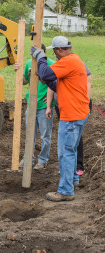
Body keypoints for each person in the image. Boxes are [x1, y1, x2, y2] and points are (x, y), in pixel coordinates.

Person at [31, 36, 90, 201]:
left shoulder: (67, 62)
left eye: (54, 52)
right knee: (71, 150)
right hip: (79, 113)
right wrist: (47, 80)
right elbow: (59, 85)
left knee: (65, 153)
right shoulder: (75, 60)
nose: (54, 55)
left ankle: (65, 191)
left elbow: (45, 72)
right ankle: (73, 180)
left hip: (71, 116)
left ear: (59, 50)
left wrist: (40, 57)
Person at [14, 44, 55, 170]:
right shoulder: (29, 63)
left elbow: (53, 84)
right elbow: (25, 81)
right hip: (31, 104)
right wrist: (20, 71)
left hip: (44, 106)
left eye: (39, 53)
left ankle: (42, 160)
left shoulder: (51, 64)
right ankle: (28, 158)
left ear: (44, 52)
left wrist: (49, 101)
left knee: (45, 135)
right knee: (29, 134)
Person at [46, 65, 92, 175]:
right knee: (66, 136)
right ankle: (66, 167)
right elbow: (51, 87)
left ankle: (78, 166)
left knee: (75, 137)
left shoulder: (81, 67)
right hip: (61, 106)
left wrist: (86, 105)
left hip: (75, 107)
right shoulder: (57, 67)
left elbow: (88, 86)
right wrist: (48, 106)